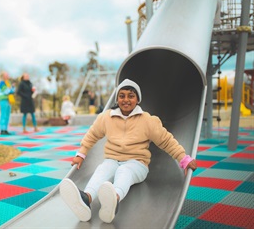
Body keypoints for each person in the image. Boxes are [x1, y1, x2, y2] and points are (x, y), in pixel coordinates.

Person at [59, 79, 197, 223]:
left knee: (124, 172)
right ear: (117, 98)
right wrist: (81, 154)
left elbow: (166, 140)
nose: (126, 100)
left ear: (138, 99)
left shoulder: (147, 120)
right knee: (102, 169)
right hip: (112, 160)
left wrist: (183, 158)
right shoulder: (107, 117)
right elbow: (92, 135)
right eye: (122, 95)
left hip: (137, 163)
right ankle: (86, 199)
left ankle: (114, 200)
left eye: (131, 96)